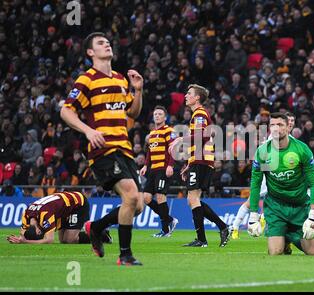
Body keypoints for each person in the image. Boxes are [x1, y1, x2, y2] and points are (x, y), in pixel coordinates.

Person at [60, 32, 144, 265]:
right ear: (90, 52)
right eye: (100, 43)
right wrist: (88, 131)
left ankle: (96, 227)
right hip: (103, 149)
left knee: (138, 206)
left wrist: (138, 90)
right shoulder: (86, 80)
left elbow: (133, 113)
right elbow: (66, 111)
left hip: (124, 149)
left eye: (108, 42)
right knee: (130, 194)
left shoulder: (119, 78)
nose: (106, 44)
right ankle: (125, 255)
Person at [247, 113, 314, 255]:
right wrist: (253, 216)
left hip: (300, 206)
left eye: (279, 125)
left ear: (288, 127)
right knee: (275, 252)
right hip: (276, 207)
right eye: (272, 125)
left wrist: (313, 215)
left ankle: (288, 236)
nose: (275, 128)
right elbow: (255, 184)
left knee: (313, 253)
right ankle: (283, 236)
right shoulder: (263, 152)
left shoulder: (302, 149)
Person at [169, 84, 230, 247]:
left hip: (202, 161)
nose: (186, 96)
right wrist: (189, 164)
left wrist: (180, 139)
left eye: (189, 93)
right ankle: (222, 227)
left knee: (192, 198)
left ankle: (203, 238)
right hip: (199, 161)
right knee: (193, 200)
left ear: (197, 98)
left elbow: (203, 135)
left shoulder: (200, 114)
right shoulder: (198, 114)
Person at [230, 111, 296, 239]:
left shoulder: (290, 140)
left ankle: (260, 219)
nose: (291, 123)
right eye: (289, 121)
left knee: (275, 200)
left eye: (293, 121)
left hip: (277, 175)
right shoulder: (275, 136)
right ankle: (235, 227)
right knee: (251, 201)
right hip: (269, 175)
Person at [6, 191, 111, 244]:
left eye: (40, 233)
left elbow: (49, 240)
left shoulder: (45, 214)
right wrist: (20, 238)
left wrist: (26, 242)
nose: (42, 232)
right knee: (63, 240)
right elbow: (23, 232)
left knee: (70, 239)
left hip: (78, 203)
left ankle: (102, 235)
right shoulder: (26, 214)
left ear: (38, 230)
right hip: (62, 208)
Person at [139, 105, 178, 237]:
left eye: (160, 114)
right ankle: (170, 220)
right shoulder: (152, 134)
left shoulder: (169, 131)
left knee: (160, 196)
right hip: (153, 169)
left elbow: (173, 149)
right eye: (155, 114)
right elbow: (150, 151)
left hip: (163, 168)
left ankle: (165, 230)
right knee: (146, 198)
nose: (157, 116)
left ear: (165, 117)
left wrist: (170, 165)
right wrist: (145, 165)